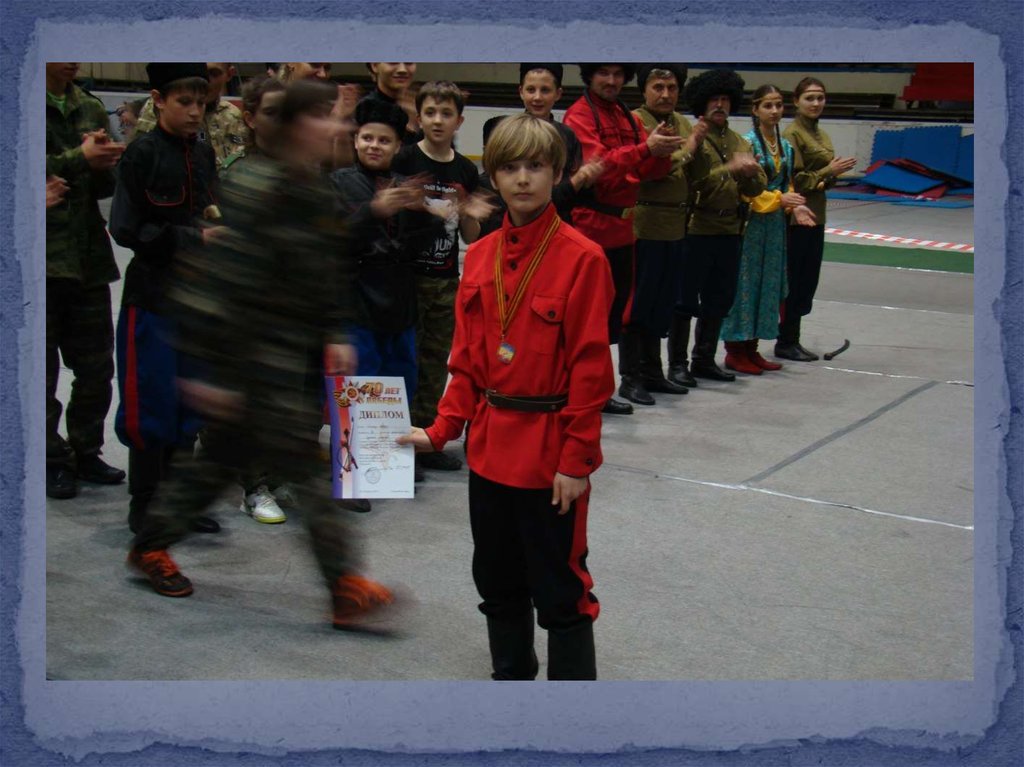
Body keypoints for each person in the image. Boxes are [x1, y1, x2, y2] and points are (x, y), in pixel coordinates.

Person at [125, 79, 397, 632]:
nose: (338, 126)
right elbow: (213, 283)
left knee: (218, 465)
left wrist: (334, 331)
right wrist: (212, 370)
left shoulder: (314, 188)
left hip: (284, 353)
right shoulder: (253, 185)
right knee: (302, 468)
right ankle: (344, 587)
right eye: (325, 116)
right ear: (296, 125)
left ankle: (150, 543)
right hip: (243, 358)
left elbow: (322, 270)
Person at [398, 114, 614, 680]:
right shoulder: (481, 256)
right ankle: (511, 683)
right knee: (496, 581)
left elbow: (591, 370)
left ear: (556, 173)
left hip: (549, 455)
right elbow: (467, 360)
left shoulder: (583, 258)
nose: (523, 179)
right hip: (490, 451)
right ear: (492, 177)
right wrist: (441, 430)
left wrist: (576, 461)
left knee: (561, 588)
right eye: (510, 167)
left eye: (535, 166)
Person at [108, 63, 221, 535]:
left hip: (198, 298)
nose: (195, 112)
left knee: (189, 400)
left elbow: (212, 209)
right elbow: (125, 228)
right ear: (158, 100)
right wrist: (194, 239)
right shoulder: (142, 153)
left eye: (201, 103)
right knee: (150, 399)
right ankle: (145, 502)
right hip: (152, 296)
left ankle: (178, 502)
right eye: (184, 102)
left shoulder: (204, 152)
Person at [330, 98, 435, 509]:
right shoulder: (338, 183)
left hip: (400, 298)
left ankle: (385, 468)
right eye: (368, 138)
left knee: (398, 384)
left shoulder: (406, 184)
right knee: (357, 388)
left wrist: (426, 212)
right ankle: (351, 479)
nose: (374, 146)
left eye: (384, 140)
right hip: (357, 296)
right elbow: (331, 240)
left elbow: (420, 244)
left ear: (397, 146)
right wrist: (373, 211)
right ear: (355, 140)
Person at [563, 63, 681, 415]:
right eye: (604, 73)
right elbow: (599, 166)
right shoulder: (579, 115)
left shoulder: (626, 116)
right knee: (586, 318)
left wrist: (659, 152)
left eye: (618, 74)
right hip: (590, 230)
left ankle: (598, 389)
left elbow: (644, 170)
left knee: (612, 319)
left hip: (622, 232)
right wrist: (646, 150)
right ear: (589, 75)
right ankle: (577, 390)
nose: (612, 80)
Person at [392, 81, 495, 474]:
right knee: (408, 361)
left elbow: (470, 236)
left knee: (437, 362)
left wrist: (470, 213)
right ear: (419, 118)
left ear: (459, 121)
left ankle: (428, 440)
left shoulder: (465, 170)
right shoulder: (404, 159)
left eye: (446, 113)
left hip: (446, 278)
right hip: (407, 278)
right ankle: (398, 444)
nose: (438, 120)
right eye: (430, 113)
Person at [45, 62, 127, 499]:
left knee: (96, 368)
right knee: (40, 375)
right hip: (40, 257)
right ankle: (49, 459)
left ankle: (85, 450)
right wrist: (80, 158)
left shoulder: (90, 106)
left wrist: (104, 163)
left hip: (87, 258)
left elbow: (103, 188)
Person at [720, 84, 816, 375]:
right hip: (750, 224)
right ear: (755, 110)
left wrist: (794, 206)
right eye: (768, 106)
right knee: (745, 284)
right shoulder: (746, 143)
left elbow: (787, 184)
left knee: (769, 285)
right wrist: (778, 200)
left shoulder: (786, 146)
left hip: (774, 228)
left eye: (778, 105)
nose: (774, 111)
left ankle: (753, 347)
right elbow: (743, 189)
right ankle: (735, 350)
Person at [679, 68, 767, 382]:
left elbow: (756, 189)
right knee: (685, 301)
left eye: (725, 99)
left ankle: (704, 359)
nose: (720, 105)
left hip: (730, 229)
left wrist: (751, 174)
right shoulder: (693, 139)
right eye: (714, 99)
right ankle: (678, 364)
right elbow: (688, 182)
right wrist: (729, 169)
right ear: (702, 103)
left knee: (720, 299)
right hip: (697, 228)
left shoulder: (739, 140)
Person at [626, 63, 705, 403]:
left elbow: (690, 170)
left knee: (663, 306)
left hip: (676, 226)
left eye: (671, 88)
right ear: (644, 90)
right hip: (645, 225)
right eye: (657, 87)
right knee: (638, 305)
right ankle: (631, 377)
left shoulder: (683, 122)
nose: (665, 94)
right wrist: (689, 148)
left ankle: (653, 372)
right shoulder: (635, 121)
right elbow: (649, 169)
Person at [779, 77, 857, 361]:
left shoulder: (821, 134)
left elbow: (822, 179)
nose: (815, 103)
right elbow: (794, 179)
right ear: (796, 101)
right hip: (797, 217)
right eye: (809, 98)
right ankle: (785, 339)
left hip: (817, 214)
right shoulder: (792, 135)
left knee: (808, 279)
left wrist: (830, 176)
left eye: (820, 98)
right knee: (794, 279)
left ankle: (793, 338)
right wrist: (828, 172)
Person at [518, 63, 602, 224]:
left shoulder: (567, 136)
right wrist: (577, 181)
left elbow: (579, 197)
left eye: (545, 90)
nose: (537, 97)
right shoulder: (508, 133)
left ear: (558, 94)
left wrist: (588, 180)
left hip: (559, 223)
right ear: (521, 92)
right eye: (531, 90)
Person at [132, 63, 245, 171]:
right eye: (185, 102)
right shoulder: (159, 110)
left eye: (214, 74)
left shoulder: (233, 115)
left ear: (229, 74)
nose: (207, 80)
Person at [362, 62, 421, 145]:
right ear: (375, 65)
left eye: (409, 62)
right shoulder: (367, 108)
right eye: (393, 62)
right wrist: (411, 125)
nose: (402, 70)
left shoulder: (421, 104)